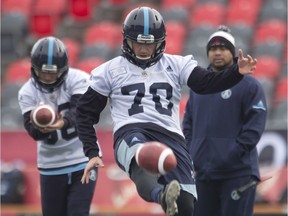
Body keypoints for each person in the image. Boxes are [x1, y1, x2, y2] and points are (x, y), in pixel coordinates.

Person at [76, 7, 258, 216]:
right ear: (127, 40)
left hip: (171, 136)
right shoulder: (109, 70)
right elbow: (83, 113)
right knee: (141, 162)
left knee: (187, 205)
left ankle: (168, 197)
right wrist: (91, 151)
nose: (143, 49)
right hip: (131, 130)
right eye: (138, 42)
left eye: (149, 43)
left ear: (160, 41)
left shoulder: (176, 64)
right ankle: (161, 195)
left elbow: (206, 83)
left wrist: (236, 73)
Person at [182, 25, 267, 216]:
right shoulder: (198, 87)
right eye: (213, 49)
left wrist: (231, 153)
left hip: (237, 174)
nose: (217, 53)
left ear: (233, 52)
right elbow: (188, 124)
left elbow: (255, 125)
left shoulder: (249, 85)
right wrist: (193, 152)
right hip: (203, 174)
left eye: (223, 48)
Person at [18, 36, 98, 216]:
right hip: (51, 163)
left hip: (82, 159)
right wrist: (40, 126)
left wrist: (63, 122)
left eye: (52, 72)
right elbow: (33, 132)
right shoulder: (27, 92)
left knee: (78, 212)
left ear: (63, 69)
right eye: (43, 72)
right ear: (34, 69)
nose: (47, 77)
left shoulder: (79, 79)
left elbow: (82, 113)